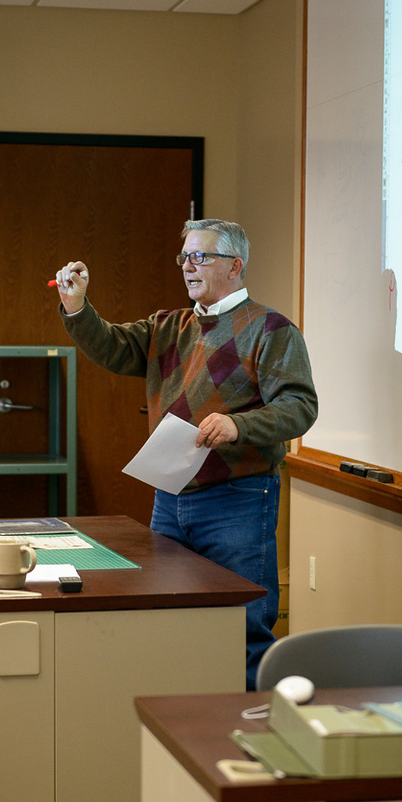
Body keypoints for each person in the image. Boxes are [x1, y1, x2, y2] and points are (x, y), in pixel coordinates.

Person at [54, 218, 318, 688]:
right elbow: (113, 347)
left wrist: (239, 425)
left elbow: (300, 407)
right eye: (185, 257)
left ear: (235, 266)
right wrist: (77, 307)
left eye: (202, 257)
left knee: (243, 628)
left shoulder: (271, 329)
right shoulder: (169, 325)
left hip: (238, 500)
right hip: (171, 499)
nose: (189, 267)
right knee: (169, 619)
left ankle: (246, 735)